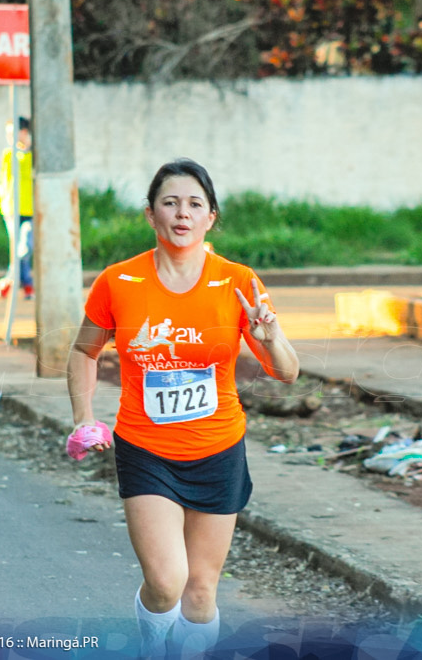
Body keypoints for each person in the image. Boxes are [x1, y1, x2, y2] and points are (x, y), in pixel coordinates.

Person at [66, 159, 299, 658]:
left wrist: (270, 337)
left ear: (211, 217)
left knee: (199, 593)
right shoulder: (118, 282)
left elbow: (287, 372)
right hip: (146, 448)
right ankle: (153, 644)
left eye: (195, 204)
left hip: (218, 451)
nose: (182, 213)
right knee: (168, 582)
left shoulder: (238, 282)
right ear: (151, 214)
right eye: (170, 202)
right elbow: (84, 351)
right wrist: (83, 416)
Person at [0, 117, 34, 300]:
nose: (9, 137)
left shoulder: (34, 155)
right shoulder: (8, 155)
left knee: (24, 248)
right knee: (17, 249)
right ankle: (28, 286)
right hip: (11, 210)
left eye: (13, 132)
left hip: (31, 211)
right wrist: (3, 204)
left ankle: (10, 280)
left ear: (24, 132)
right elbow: (1, 181)